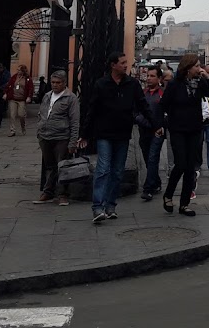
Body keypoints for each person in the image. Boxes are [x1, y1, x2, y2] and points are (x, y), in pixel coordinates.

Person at [79, 52, 157, 223]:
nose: (125, 65)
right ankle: (97, 207)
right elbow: (92, 109)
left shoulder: (132, 84)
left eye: (126, 62)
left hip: (122, 133)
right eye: (122, 63)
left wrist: (155, 124)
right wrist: (84, 133)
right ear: (113, 65)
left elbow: (142, 105)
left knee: (117, 172)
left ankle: (110, 205)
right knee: (103, 169)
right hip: (104, 133)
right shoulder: (102, 84)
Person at [161, 55, 209, 216]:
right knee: (180, 164)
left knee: (191, 167)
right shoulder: (174, 84)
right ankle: (168, 194)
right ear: (188, 68)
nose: (199, 69)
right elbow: (163, 105)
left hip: (195, 129)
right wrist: (161, 125)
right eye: (197, 66)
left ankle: (184, 204)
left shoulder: (201, 84)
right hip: (178, 129)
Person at [34, 71, 79, 206]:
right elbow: (42, 113)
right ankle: (48, 192)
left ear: (64, 83)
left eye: (58, 83)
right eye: (53, 82)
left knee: (62, 166)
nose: (55, 85)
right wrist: (39, 130)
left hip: (61, 137)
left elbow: (75, 121)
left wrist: (73, 142)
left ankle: (62, 194)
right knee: (50, 166)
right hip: (45, 136)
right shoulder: (47, 96)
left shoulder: (70, 98)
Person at [138, 66, 166, 200]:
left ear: (159, 78)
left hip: (158, 133)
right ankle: (156, 182)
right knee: (147, 159)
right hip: (144, 131)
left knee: (152, 158)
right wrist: (144, 122)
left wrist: (161, 126)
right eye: (148, 76)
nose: (149, 78)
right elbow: (136, 112)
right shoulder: (143, 94)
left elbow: (168, 114)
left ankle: (147, 189)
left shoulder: (163, 94)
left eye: (152, 76)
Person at [4, 64, 32, 136]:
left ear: (23, 71)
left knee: (21, 115)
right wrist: (6, 93)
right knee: (12, 115)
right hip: (13, 98)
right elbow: (9, 85)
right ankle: (12, 130)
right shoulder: (14, 77)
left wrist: (29, 97)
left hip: (22, 99)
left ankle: (23, 127)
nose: (18, 71)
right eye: (17, 70)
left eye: (19, 70)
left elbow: (30, 88)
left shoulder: (28, 78)